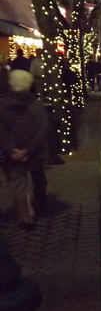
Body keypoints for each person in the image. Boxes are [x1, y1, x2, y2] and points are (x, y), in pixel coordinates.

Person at [0, 70, 49, 231]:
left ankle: (25, 218)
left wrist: (11, 149)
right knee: (38, 178)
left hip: (11, 153)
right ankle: (41, 206)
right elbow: (42, 129)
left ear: (12, 83)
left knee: (19, 185)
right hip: (34, 152)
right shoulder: (36, 104)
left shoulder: (2, 104)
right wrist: (28, 149)